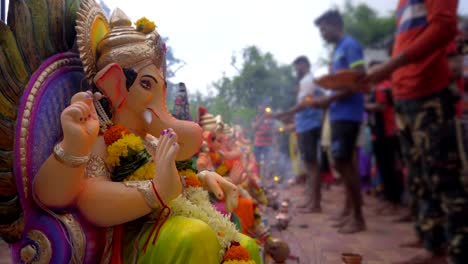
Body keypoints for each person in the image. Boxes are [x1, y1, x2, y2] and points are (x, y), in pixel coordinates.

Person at [365, 1, 467, 263]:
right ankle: (432, 243)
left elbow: (444, 27)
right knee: (419, 176)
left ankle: (458, 250)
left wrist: (390, 65)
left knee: (444, 176)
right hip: (405, 97)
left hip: (430, 93)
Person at [314, 10, 366, 234]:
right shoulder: (338, 50)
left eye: (324, 29)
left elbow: (359, 77)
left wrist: (329, 98)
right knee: (343, 164)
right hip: (338, 113)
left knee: (343, 163)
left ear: (336, 24)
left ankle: (359, 218)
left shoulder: (350, 45)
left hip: (348, 113)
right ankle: (350, 212)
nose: (322, 34)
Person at [274, 56, 324, 213]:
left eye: (298, 67)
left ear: (304, 65)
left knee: (312, 164)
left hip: (309, 125)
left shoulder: (308, 80)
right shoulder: (306, 82)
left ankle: (315, 203)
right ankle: (311, 200)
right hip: (304, 126)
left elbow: (304, 105)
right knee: (309, 165)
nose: (296, 70)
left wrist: (286, 113)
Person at [365, 61, 403, 215]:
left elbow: (380, 107)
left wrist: (363, 106)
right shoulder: (378, 87)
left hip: (386, 133)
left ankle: (395, 203)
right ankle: (389, 200)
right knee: (384, 168)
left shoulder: (383, 86)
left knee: (389, 169)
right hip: (379, 133)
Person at [252, 104, 275, 179]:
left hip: (268, 143)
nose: (261, 109)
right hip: (258, 143)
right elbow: (254, 127)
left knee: (268, 162)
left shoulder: (270, 119)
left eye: (262, 107)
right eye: (259, 107)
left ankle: (267, 178)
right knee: (257, 161)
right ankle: (258, 177)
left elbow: (274, 130)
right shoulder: (256, 118)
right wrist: (262, 118)